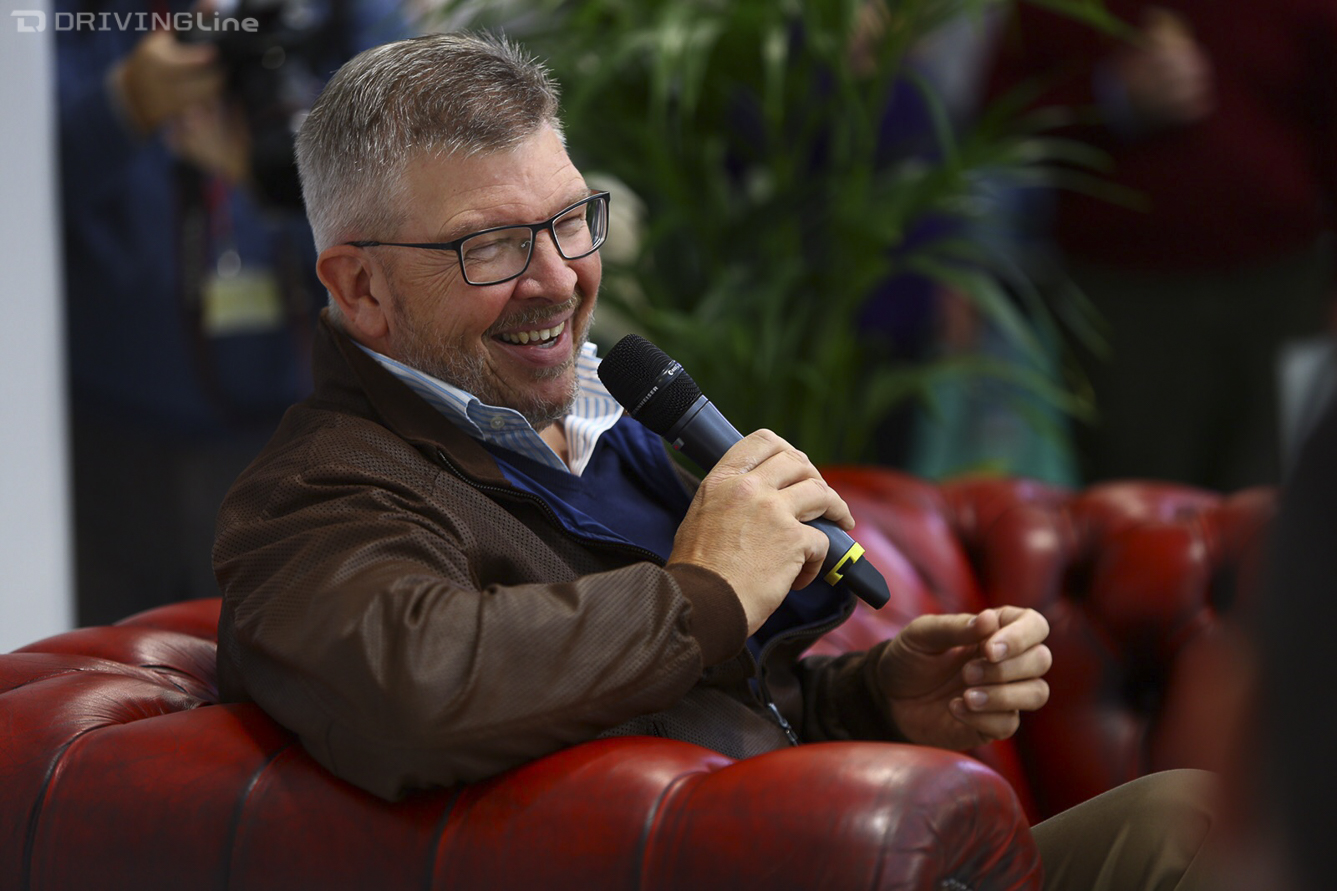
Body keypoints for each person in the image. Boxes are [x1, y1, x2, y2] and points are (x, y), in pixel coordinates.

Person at [214, 32, 1219, 889]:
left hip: (804, 851)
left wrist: (868, 699)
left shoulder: (611, 417)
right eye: (489, 246)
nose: (558, 280)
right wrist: (703, 589)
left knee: (1193, 817)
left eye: (570, 221)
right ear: (360, 289)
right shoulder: (320, 494)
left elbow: (691, 712)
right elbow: (414, 693)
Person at [56, 0, 400, 626]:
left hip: (296, 431)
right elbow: (24, 196)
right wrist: (123, 107)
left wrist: (271, 179)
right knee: (101, 677)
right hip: (102, 435)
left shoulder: (347, 18)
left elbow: (394, 238)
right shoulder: (74, 21)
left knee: (284, 669)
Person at [986, 0, 1337, 492]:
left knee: (1272, 500)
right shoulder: (1055, 11)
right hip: (1123, 295)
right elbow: (999, 116)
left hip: (1281, 285)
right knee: (1138, 504)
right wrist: (1110, 97)